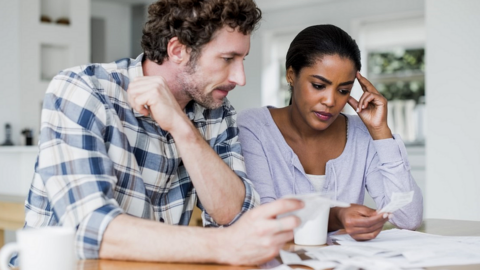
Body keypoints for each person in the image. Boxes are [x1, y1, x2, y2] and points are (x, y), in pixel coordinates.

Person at [13, 0, 303, 266]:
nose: (240, 78)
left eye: (243, 60)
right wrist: (223, 245)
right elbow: (91, 228)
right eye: (227, 59)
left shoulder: (217, 111)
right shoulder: (83, 90)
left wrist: (181, 127)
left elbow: (234, 215)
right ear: (177, 50)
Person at [237, 24, 423, 241]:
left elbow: (408, 218)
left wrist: (380, 132)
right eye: (318, 86)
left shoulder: (360, 134)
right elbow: (261, 220)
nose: (331, 101)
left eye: (343, 90)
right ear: (291, 75)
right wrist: (335, 216)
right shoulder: (254, 127)